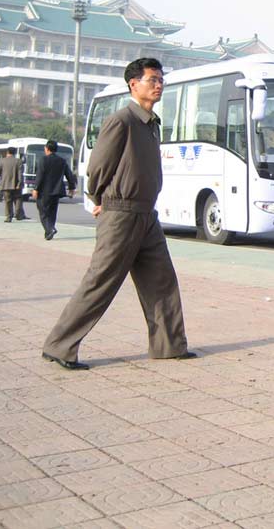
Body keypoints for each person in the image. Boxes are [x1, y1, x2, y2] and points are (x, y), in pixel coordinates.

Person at [42, 58, 197, 371]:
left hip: (146, 215)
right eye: (152, 79)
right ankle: (59, 346)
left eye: (161, 80)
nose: (158, 85)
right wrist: (96, 197)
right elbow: (98, 166)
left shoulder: (151, 124)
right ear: (133, 84)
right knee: (101, 281)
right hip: (121, 213)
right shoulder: (122, 120)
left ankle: (169, 345)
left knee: (161, 280)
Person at [32, 140, 77, 240]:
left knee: (43, 211)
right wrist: (72, 187)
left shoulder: (43, 160)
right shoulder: (62, 160)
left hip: (44, 191)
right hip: (57, 191)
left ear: (47, 148)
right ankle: (49, 232)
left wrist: (36, 188)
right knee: (52, 211)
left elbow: (40, 175)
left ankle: (50, 229)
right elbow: (69, 175)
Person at [0, 147, 27, 222]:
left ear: (7, 152)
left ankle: (9, 217)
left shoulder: (2, 161)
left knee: (8, 201)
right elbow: (20, 174)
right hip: (16, 185)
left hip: (5, 184)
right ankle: (18, 214)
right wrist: (19, 183)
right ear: (15, 153)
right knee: (18, 199)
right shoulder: (19, 161)